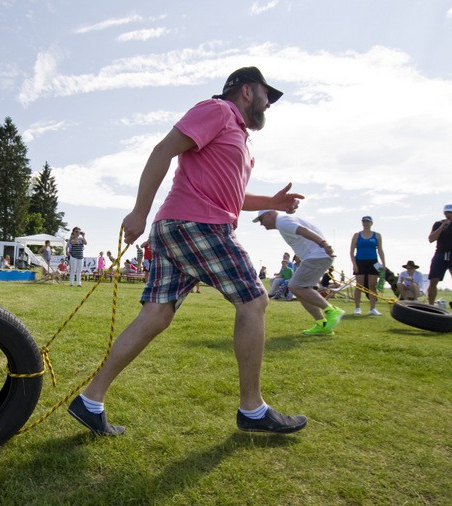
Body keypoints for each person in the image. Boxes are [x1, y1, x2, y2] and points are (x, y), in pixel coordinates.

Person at [68, 66, 307, 436]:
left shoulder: (240, 140)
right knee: (254, 300)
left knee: (156, 315)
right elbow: (163, 150)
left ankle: (90, 399)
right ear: (246, 90)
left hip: (180, 227)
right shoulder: (217, 111)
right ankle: (253, 409)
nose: (268, 103)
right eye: (265, 94)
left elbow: (233, 195)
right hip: (197, 225)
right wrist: (139, 211)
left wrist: (271, 200)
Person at [254, 210, 345, 335]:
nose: (261, 224)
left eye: (261, 220)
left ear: (269, 214)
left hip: (317, 256)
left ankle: (332, 311)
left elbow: (304, 231)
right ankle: (323, 325)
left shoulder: (283, 222)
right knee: (301, 290)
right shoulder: (284, 221)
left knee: (295, 286)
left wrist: (324, 244)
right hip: (317, 256)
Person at [349, 215, 387, 316]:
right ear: (362, 223)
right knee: (359, 286)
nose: (365, 223)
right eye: (364, 222)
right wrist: (354, 264)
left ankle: (372, 308)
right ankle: (357, 308)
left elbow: (380, 250)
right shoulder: (357, 235)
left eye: (367, 222)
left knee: (372, 286)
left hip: (373, 262)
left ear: (371, 223)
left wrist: (383, 264)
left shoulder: (377, 235)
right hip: (360, 262)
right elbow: (351, 252)